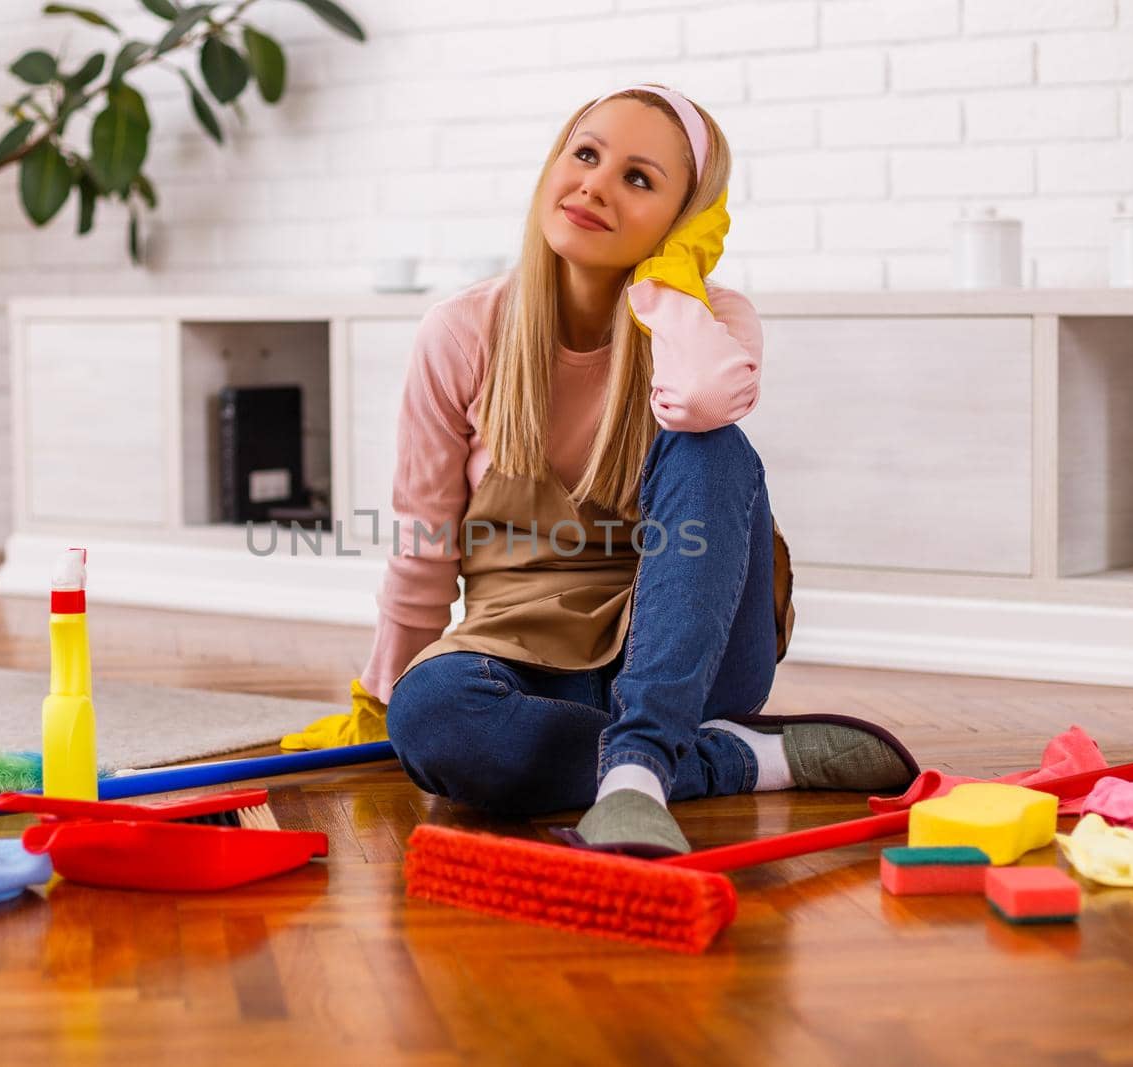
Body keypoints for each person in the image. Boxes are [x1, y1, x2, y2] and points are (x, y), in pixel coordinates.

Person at [281, 83, 920, 856]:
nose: (595, 184)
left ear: (687, 223)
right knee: (438, 717)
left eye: (639, 178)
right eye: (585, 154)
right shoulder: (461, 332)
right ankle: (727, 758)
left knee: (710, 440)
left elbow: (708, 400)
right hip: (523, 655)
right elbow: (423, 536)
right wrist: (386, 694)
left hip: (688, 656)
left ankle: (645, 754)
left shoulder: (710, 324)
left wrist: (670, 285)